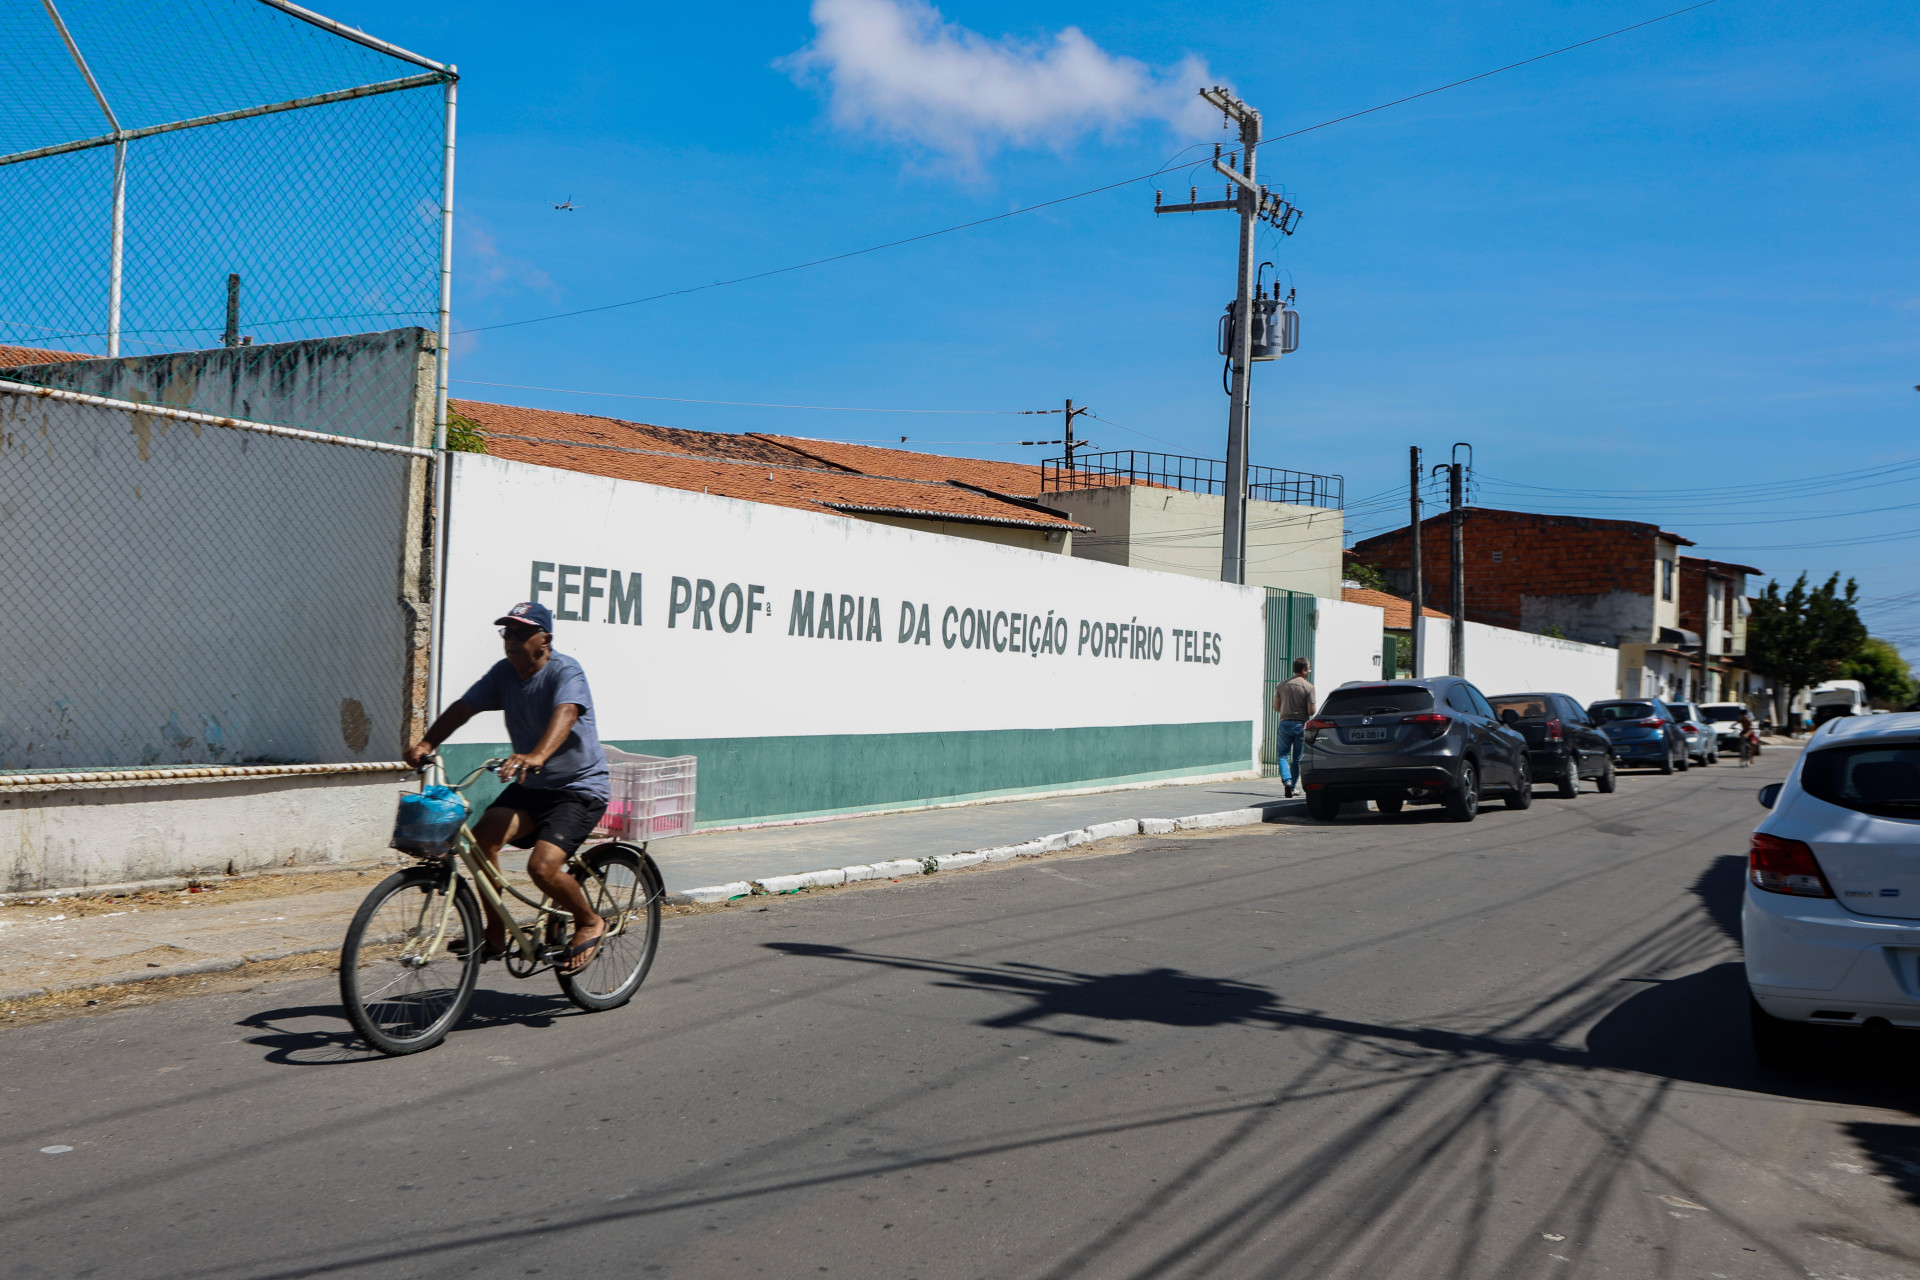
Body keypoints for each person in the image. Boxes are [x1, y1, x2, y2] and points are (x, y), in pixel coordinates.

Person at [405, 601, 612, 974]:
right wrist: (426, 743)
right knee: (481, 841)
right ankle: (495, 932)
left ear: (544, 639)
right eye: (507, 632)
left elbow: (566, 713)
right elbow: (462, 708)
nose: (511, 640)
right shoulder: (504, 674)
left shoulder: (565, 671)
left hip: (578, 789)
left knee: (542, 868)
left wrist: (537, 755)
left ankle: (588, 920)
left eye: (521, 633)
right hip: (533, 788)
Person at [1274, 656, 1316, 799]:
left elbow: (1276, 707)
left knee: (1282, 755)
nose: (1309, 671)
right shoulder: (1309, 687)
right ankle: (1292, 788)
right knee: (1297, 758)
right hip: (1300, 724)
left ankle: (1287, 781)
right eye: (1308, 669)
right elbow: (1311, 711)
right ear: (1304, 670)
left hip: (1284, 723)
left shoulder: (1281, 685)